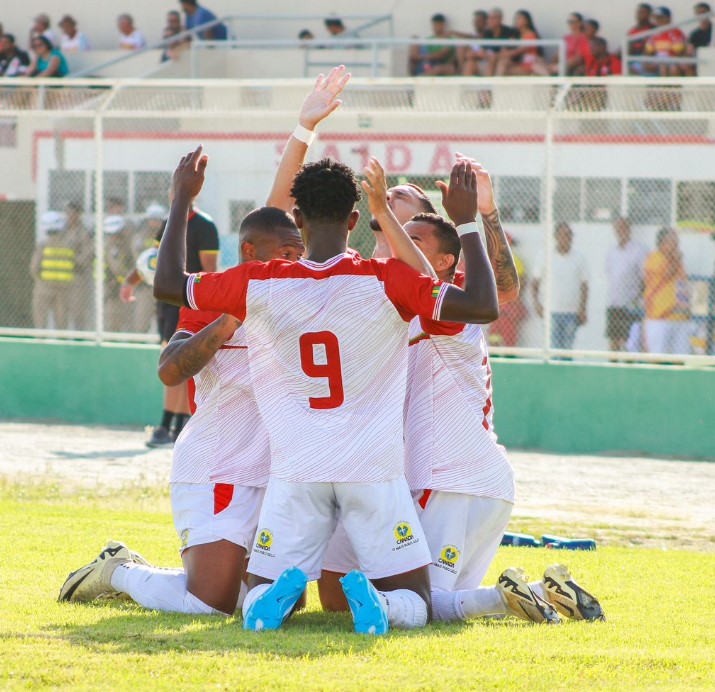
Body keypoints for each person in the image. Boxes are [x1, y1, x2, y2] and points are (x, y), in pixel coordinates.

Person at [153, 144, 499, 636]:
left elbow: (168, 284)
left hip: (297, 470)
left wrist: (180, 201)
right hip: (371, 469)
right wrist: (465, 221)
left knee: (253, 591)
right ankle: (386, 608)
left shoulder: (261, 279)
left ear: (297, 217)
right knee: (418, 600)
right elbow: (483, 306)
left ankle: (264, 605)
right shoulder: (385, 279)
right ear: (355, 217)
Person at [59, 209, 305, 615]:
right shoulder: (213, 295)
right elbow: (170, 369)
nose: (294, 262)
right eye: (285, 252)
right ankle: (117, 570)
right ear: (248, 251)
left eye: (299, 253)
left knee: (281, 606)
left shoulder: (303, 302)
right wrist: (229, 321)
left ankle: (175, 575)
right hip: (218, 469)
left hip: (275, 476)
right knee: (211, 606)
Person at [122, 198, 220, 447]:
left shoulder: (205, 226)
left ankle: (177, 426)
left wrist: (207, 304)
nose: (177, 195)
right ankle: (170, 425)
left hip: (191, 303)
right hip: (168, 304)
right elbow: (154, 260)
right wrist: (130, 281)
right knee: (172, 361)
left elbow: (210, 271)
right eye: (174, 190)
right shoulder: (168, 223)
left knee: (185, 362)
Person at [532, 223, 589, 351]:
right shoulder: (545, 255)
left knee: (567, 350)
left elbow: (584, 285)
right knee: (553, 349)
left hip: (571, 312)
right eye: (563, 234)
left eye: (569, 235)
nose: (566, 238)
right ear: (556, 236)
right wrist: (537, 304)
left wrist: (582, 309)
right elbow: (535, 282)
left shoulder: (579, 258)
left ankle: (568, 371)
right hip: (551, 312)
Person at [644, 228, 691, 354]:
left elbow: (683, 285)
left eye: (677, 241)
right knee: (657, 357)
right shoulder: (654, 258)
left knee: (682, 358)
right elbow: (667, 274)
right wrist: (677, 259)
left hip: (680, 317)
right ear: (662, 243)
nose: (677, 245)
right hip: (660, 318)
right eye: (673, 241)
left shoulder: (678, 261)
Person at [605, 219, 648, 353]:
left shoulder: (639, 251)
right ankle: (612, 370)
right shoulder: (611, 253)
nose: (621, 231)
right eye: (618, 228)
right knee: (613, 341)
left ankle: (627, 370)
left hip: (631, 305)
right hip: (614, 303)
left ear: (629, 230)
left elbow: (645, 278)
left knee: (630, 343)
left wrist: (638, 299)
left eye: (624, 228)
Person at [31, 211, 73, 329]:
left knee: (40, 317)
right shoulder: (68, 244)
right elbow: (75, 264)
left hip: (45, 285)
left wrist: (39, 280)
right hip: (64, 287)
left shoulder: (44, 245)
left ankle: (41, 340)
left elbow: (34, 267)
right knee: (61, 318)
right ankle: (61, 342)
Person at [64, 201, 94, 331]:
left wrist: (70, 258)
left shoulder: (83, 232)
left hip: (77, 277)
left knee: (78, 311)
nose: (70, 217)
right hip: (60, 277)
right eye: (68, 213)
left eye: (73, 214)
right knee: (62, 311)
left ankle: (79, 337)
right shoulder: (61, 230)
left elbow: (87, 255)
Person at [494, 10, 544, 76]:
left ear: (526, 21)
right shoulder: (516, 35)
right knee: (502, 63)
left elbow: (518, 51)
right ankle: (496, 84)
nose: (516, 20)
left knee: (503, 66)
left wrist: (503, 54)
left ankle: (497, 83)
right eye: (515, 18)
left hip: (529, 65)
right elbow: (506, 48)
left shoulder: (531, 35)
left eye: (519, 18)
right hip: (520, 62)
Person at [644, 6, 687, 76]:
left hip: (672, 61)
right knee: (635, 66)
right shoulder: (654, 33)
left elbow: (679, 52)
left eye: (660, 17)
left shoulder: (676, 32)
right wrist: (646, 63)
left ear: (669, 18)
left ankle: (668, 86)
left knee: (669, 68)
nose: (658, 20)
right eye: (656, 18)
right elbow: (648, 51)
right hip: (657, 61)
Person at [482, 8, 520, 76]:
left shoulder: (510, 32)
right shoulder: (487, 33)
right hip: (489, 59)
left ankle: (493, 85)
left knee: (498, 62)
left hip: (507, 60)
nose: (490, 21)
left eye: (493, 18)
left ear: (500, 19)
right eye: (489, 18)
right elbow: (482, 49)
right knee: (470, 64)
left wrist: (494, 55)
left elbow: (508, 51)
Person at [452, 10, 488, 76]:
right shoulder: (472, 36)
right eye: (475, 21)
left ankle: (462, 73)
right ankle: (461, 70)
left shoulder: (489, 34)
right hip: (470, 62)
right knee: (462, 46)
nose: (476, 23)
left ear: (485, 22)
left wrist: (472, 54)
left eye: (478, 21)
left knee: (469, 64)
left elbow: (483, 54)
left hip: (485, 64)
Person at [627, 3, 655, 74]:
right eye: (638, 12)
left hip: (650, 59)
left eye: (642, 13)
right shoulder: (632, 31)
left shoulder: (654, 29)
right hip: (634, 59)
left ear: (649, 15)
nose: (639, 15)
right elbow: (628, 48)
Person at [686, 2, 712, 76]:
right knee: (688, 64)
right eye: (699, 13)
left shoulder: (713, 31)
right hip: (699, 60)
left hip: (712, 59)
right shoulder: (694, 34)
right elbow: (690, 51)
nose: (702, 15)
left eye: (703, 12)